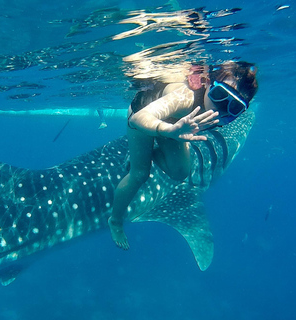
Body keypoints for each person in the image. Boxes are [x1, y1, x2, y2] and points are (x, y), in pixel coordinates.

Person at [108, 61, 259, 250]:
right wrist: (167, 130)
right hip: (144, 117)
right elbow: (139, 119)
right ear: (206, 83)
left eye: (235, 107)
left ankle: (142, 152)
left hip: (175, 127)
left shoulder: (221, 114)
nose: (221, 107)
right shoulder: (185, 97)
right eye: (219, 95)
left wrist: (173, 132)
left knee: (180, 172)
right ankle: (115, 221)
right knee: (139, 174)